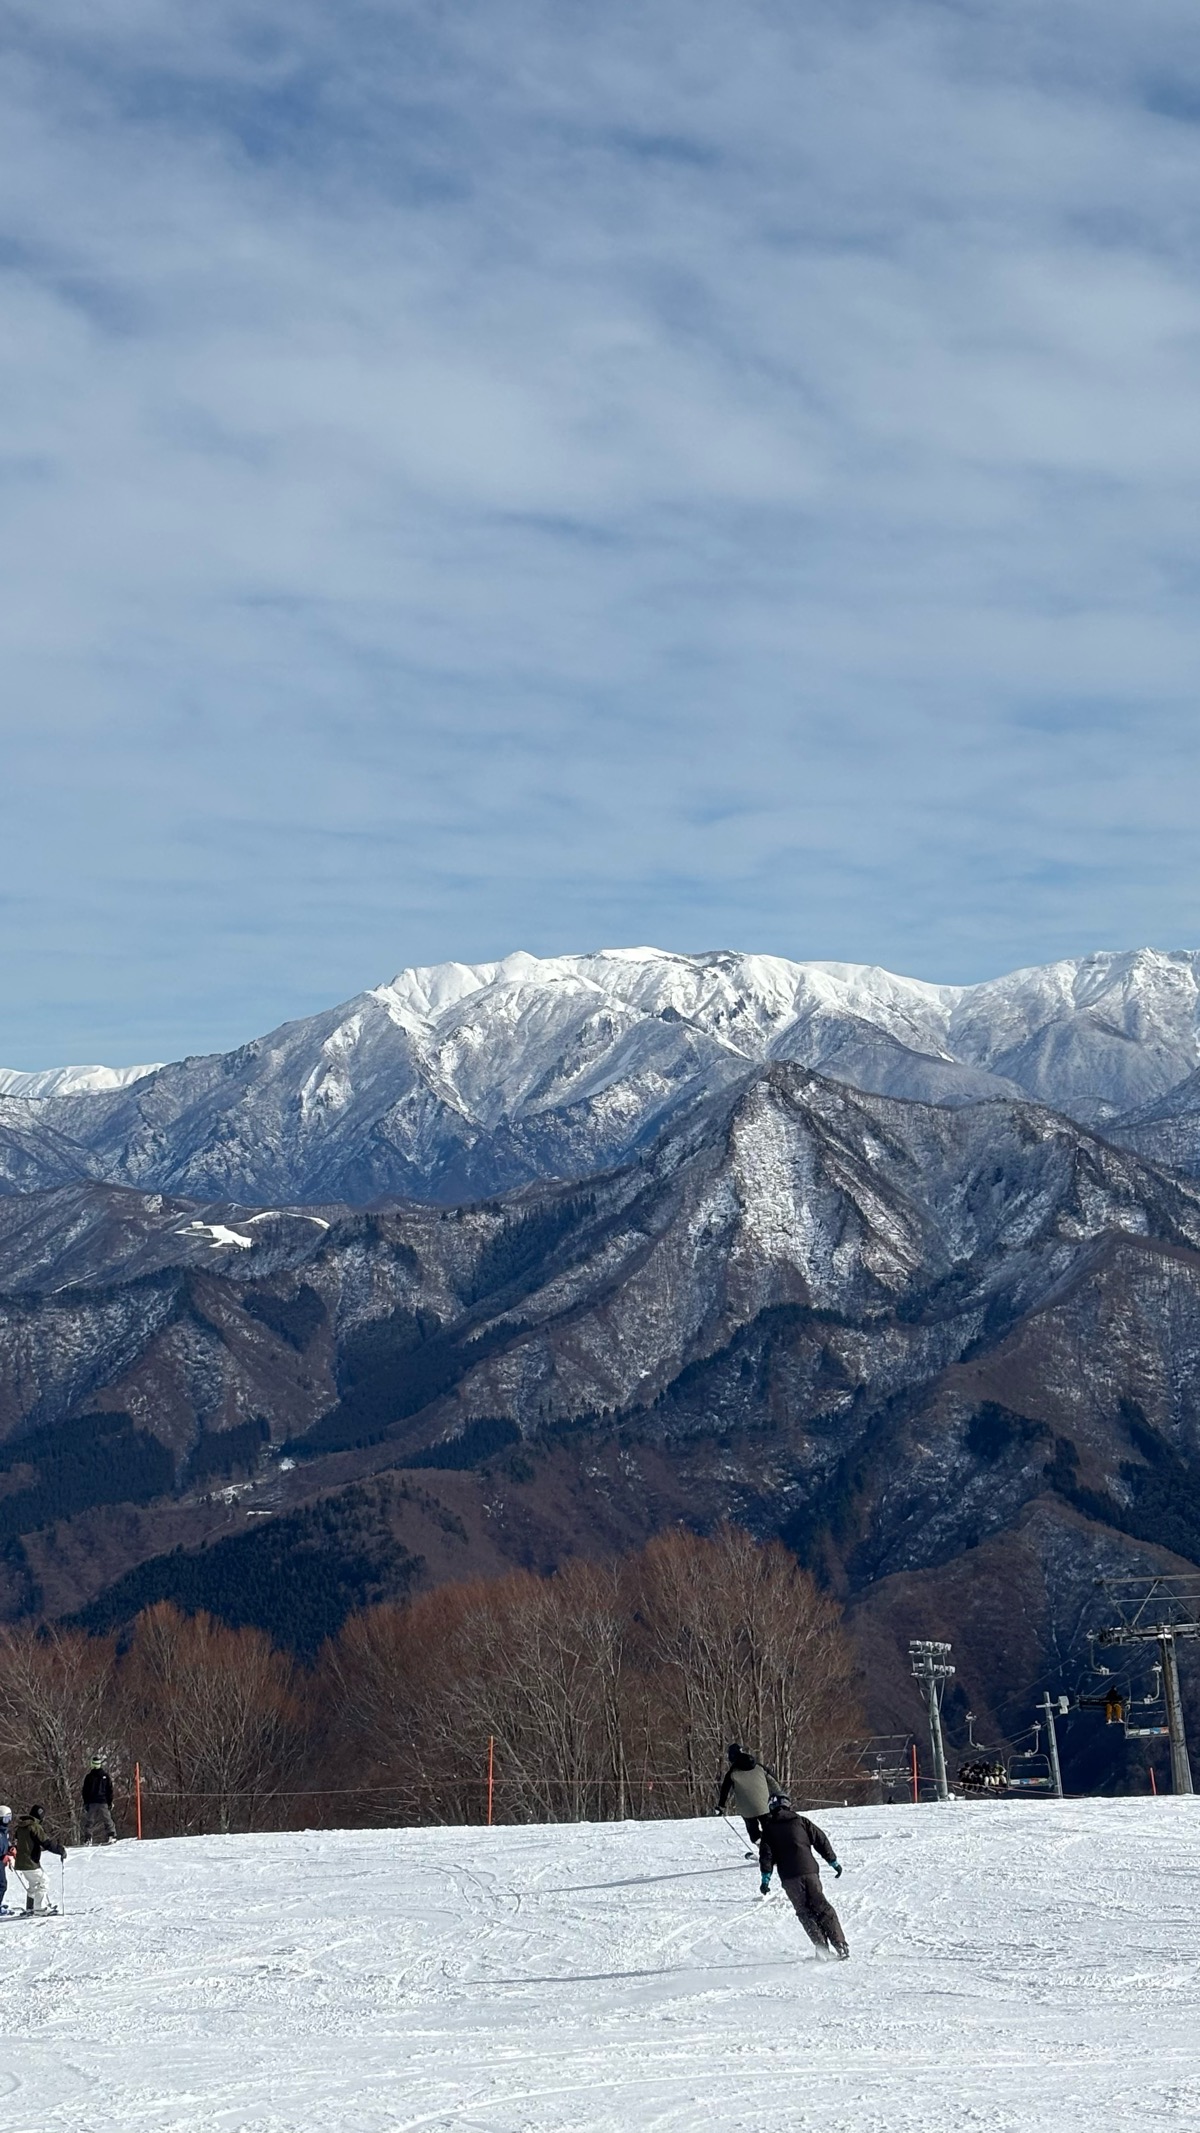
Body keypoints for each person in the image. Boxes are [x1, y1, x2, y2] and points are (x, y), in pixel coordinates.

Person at [759, 1792, 849, 1960]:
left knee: (804, 1911)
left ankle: (822, 1948)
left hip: (789, 1877)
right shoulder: (801, 1821)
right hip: (810, 1872)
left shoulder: (769, 1829)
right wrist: (833, 1862)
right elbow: (821, 1839)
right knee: (822, 1906)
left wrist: (766, 1879)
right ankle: (840, 1944)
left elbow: (766, 1855)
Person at [717, 1743, 784, 1892]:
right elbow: (772, 1780)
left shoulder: (732, 1772)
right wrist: (780, 1794)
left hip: (747, 1810)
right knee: (770, 1831)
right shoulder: (758, 1766)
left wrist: (721, 1807)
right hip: (765, 1806)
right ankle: (776, 1852)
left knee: (755, 1835)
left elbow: (725, 1790)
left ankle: (765, 1852)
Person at [13, 1805, 66, 1915]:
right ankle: (40, 1909)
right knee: (43, 1881)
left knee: (34, 1884)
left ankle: (30, 1908)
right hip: (30, 1861)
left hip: (20, 1862)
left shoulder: (20, 1827)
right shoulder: (34, 1827)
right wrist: (60, 1850)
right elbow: (46, 1843)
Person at [82, 1758, 117, 1844]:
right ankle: (111, 1835)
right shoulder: (103, 1776)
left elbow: (85, 1791)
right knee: (107, 1819)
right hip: (102, 1801)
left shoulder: (90, 1777)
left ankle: (88, 1837)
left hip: (94, 1802)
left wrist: (86, 1803)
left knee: (90, 1821)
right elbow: (110, 1790)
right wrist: (110, 1802)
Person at [0, 1808, 13, 1915]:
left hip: (1, 1861)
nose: (8, 1821)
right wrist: (2, 1857)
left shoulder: (4, 1831)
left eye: (9, 1818)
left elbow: (6, 1843)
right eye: (6, 1819)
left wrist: (10, 1849)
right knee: (2, 1885)